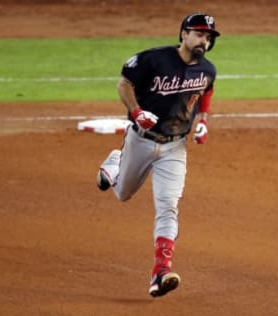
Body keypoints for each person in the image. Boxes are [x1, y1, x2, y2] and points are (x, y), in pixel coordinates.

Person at [96, 12, 220, 297]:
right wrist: (136, 112)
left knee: (168, 206)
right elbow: (124, 84)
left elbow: (206, 93)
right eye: (199, 34)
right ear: (184, 34)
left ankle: (160, 272)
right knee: (123, 194)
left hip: (175, 147)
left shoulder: (207, 70)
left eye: (209, 36)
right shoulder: (154, 59)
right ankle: (114, 164)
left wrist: (202, 121)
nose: (205, 40)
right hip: (140, 140)